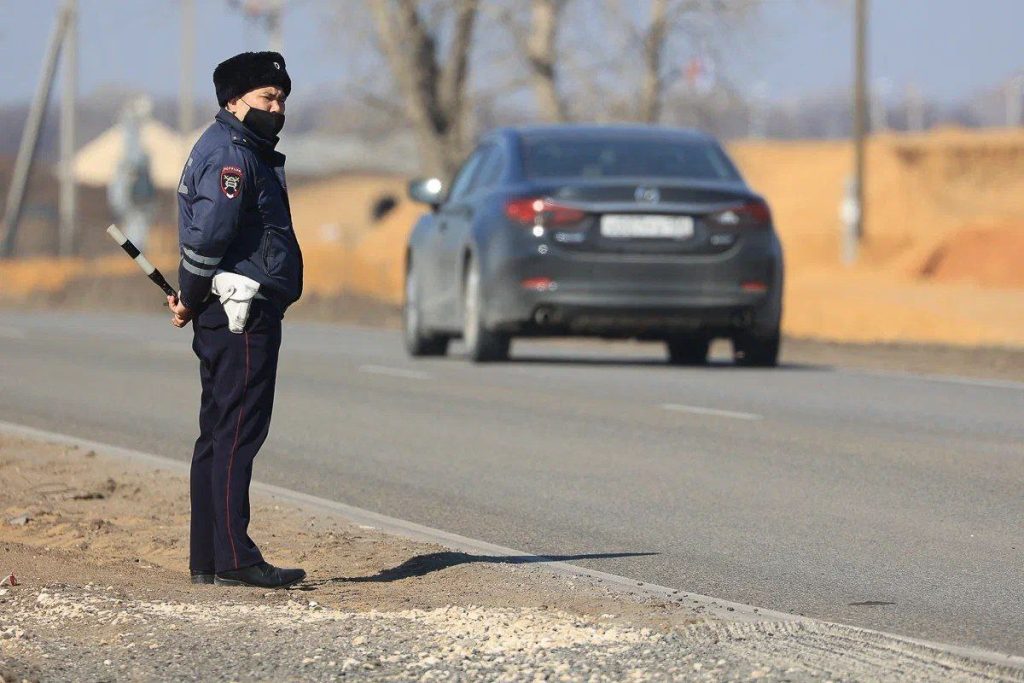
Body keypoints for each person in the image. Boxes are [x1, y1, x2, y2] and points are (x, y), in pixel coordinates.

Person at [168, 51, 304, 589]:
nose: (278, 108)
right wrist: (194, 292)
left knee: (218, 432)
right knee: (237, 433)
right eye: (267, 98)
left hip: (223, 309)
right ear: (233, 101)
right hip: (241, 313)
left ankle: (208, 557)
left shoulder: (235, 146)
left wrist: (191, 297)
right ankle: (234, 558)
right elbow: (208, 237)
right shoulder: (231, 155)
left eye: (282, 99)